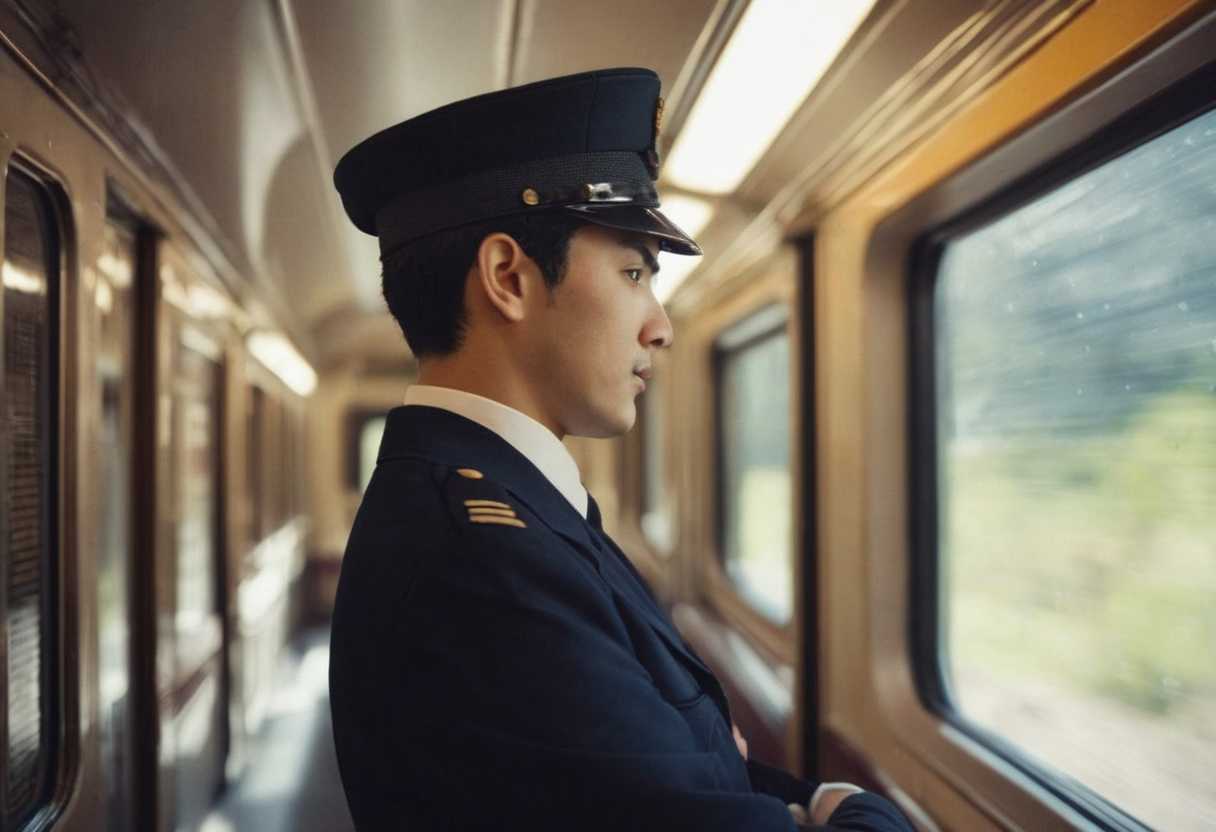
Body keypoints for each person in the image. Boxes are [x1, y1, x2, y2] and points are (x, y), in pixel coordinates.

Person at [328, 67, 913, 831]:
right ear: (509, 277)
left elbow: (666, 779)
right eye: (634, 272)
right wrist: (850, 806)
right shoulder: (481, 561)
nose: (661, 327)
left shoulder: (513, 506)